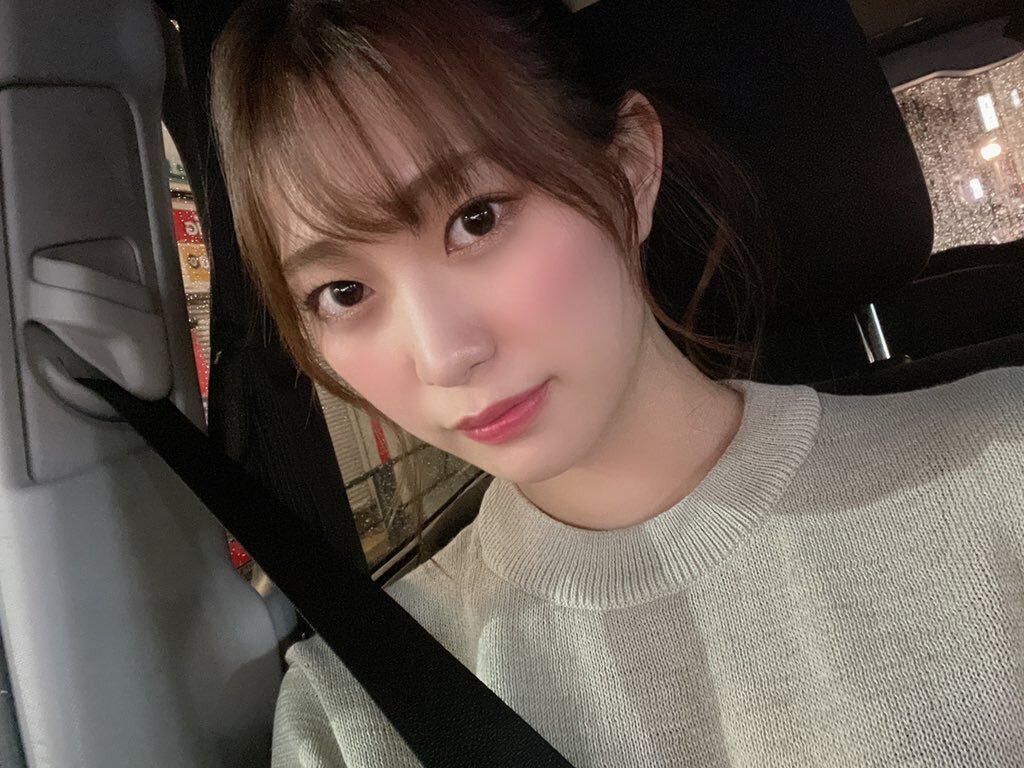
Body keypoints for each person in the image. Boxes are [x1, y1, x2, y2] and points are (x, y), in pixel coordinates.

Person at [210, 0, 1024, 765]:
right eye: (343, 293)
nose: (444, 355)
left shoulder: (1006, 467)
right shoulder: (353, 711)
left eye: (476, 218)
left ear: (630, 169)